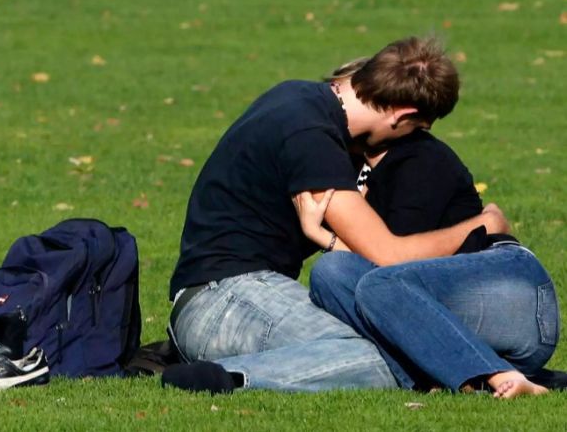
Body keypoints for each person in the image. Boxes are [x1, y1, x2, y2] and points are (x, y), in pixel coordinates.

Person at [162, 36, 509, 394]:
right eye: (417, 129)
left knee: (397, 340)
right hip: (225, 301)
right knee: (385, 354)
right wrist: (485, 225)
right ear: (403, 115)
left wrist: (324, 235)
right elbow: (388, 255)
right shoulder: (311, 136)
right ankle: (230, 376)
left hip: (230, 296)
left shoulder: (298, 97)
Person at [298, 117, 557, 397]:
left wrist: (324, 235)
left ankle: (497, 374)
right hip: (442, 313)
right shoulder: (357, 167)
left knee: (377, 283)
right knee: (330, 271)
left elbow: (390, 268)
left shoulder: (421, 161)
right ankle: (447, 377)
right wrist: (319, 234)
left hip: (512, 292)